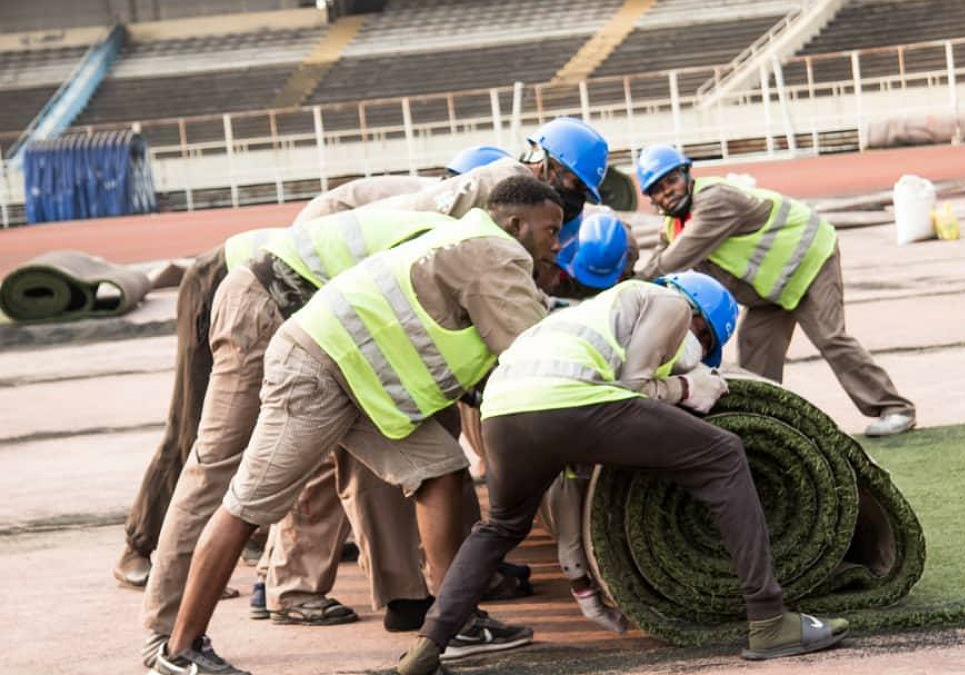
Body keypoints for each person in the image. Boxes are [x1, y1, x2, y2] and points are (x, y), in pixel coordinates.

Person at [147, 177, 563, 675]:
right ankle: (178, 648)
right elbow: (531, 349)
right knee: (244, 497)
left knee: (443, 470)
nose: (557, 244)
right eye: (552, 231)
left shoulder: (454, 235)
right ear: (516, 224)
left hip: (363, 371)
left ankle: (456, 624)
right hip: (310, 354)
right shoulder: (490, 249)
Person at [397, 271, 850, 675]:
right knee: (725, 453)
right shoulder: (671, 304)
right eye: (704, 345)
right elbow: (637, 388)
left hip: (504, 412)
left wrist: (581, 584)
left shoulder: (584, 320)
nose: (694, 354)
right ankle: (771, 621)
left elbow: (571, 480)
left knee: (499, 526)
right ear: (700, 321)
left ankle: (430, 643)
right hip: (570, 400)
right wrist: (691, 385)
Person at [633, 145, 917, 437]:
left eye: (671, 180)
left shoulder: (715, 200)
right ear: (651, 197)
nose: (667, 191)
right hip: (771, 288)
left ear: (686, 174)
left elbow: (673, 260)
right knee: (755, 348)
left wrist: (632, 286)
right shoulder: (672, 225)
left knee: (830, 337)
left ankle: (894, 408)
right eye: (657, 188)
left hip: (809, 263)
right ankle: (765, 423)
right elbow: (659, 259)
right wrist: (629, 280)